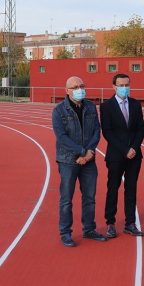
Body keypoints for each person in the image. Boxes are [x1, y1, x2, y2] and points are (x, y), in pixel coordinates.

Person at [52, 76, 106, 247]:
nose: (79, 89)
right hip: (68, 161)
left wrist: (89, 152)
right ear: (67, 91)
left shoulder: (90, 106)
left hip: (89, 160)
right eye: (75, 87)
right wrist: (82, 152)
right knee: (67, 199)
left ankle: (89, 228)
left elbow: (97, 130)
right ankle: (65, 233)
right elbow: (61, 137)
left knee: (89, 197)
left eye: (81, 86)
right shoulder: (59, 110)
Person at [100, 73, 144, 238]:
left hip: (134, 155)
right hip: (116, 155)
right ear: (114, 86)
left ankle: (130, 223)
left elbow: (141, 128)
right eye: (121, 85)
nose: (124, 88)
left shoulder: (135, 104)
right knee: (113, 188)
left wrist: (133, 148)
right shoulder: (106, 106)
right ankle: (110, 223)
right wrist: (124, 150)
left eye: (127, 85)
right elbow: (108, 132)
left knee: (131, 189)